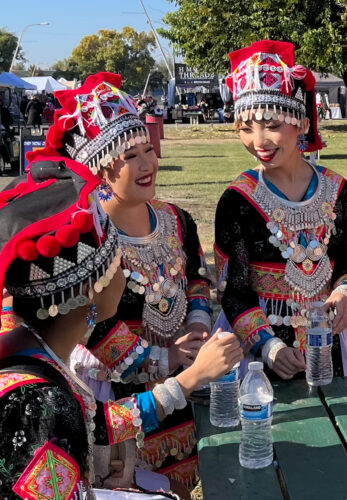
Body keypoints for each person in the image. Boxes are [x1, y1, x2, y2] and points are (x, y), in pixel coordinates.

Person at [0, 155, 242, 499]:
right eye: (120, 263)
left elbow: (94, 423)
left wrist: (189, 380)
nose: (130, 275)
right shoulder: (40, 402)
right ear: (91, 290)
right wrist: (189, 379)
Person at [41, 72, 214, 490]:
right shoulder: (85, 238)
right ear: (100, 167)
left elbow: (197, 279)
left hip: (185, 384)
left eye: (148, 150)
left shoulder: (177, 219)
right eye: (129, 154)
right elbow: (89, 323)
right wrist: (165, 361)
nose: (147, 164)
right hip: (112, 396)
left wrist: (196, 326)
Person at [213, 40, 347, 381]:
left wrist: (344, 294)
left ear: (301, 121)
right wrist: (269, 348)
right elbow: (234, 290)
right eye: (246, 127)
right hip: (260, 354)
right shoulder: (238, 201)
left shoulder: (338, 191)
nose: (258, 141)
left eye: (271, 124)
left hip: (329, 344)